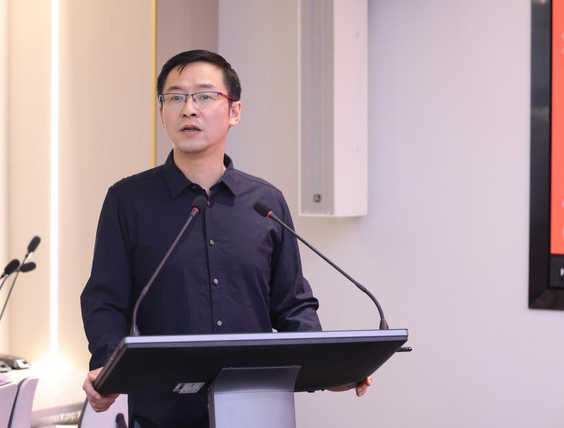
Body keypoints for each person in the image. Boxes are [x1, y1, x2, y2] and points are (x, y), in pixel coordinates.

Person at [81, 50, 371, 428]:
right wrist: (107, 366)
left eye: (204, 96)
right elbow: (105, 300)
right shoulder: (128, 201)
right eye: (175, 97)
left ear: (234, 111)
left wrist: (329, 369)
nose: (189, 109)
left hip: (258, 412)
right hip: (163, 415)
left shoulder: (265, 203)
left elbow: (292, 305)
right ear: (162, 112)